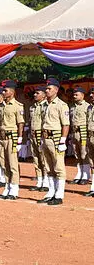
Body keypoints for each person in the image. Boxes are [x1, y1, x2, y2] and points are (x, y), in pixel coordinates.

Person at [37, 78, 70, 206]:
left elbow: (66, 124)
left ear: (56, 90)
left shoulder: (62, 105)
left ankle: (59, 194)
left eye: (49, 88)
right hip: (45, 138)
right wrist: (41, 139)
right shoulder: (44, 105)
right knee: (48, 167)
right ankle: (51, 192)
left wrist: (63, 140)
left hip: (56, 138)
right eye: (46, 88)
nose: (47, 90)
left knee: (59, 167)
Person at [0, 80, 25, 200]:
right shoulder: (1, 105)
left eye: (5, 90)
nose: (3, 92)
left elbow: (20, 124)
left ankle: (14, 189)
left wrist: (19, 140)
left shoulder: (18, 106)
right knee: (4, 164)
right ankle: (7, 186)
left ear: (12, 92)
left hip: (11, 137)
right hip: (2, 137)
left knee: (13, 164)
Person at [28, 86, 48, 192]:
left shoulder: (46, 106)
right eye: (34, 93)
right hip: (33, 135)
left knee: (44, 159)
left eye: (37, 93)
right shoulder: (32, 107)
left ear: (44, 95)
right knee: (36, 159)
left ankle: (46, 181)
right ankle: (39, 180)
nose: (35, 95)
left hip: (41, 135)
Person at [70, 87, 90, 185]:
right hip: (74, 133)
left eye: (76, 94)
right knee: (77, 154)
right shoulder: (73, 107)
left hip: (83, 133)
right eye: (74, 94)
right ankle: (79, 174)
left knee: (84, 154)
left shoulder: (87, 106)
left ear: (82, 95)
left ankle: (86, 175)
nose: (74, 96)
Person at [86, 88, 94, 197]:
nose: (91, 95)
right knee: (92, 163)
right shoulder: (89, 107)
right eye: (91, 93)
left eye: (93, 93)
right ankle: (93, 187)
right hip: (90, 136)